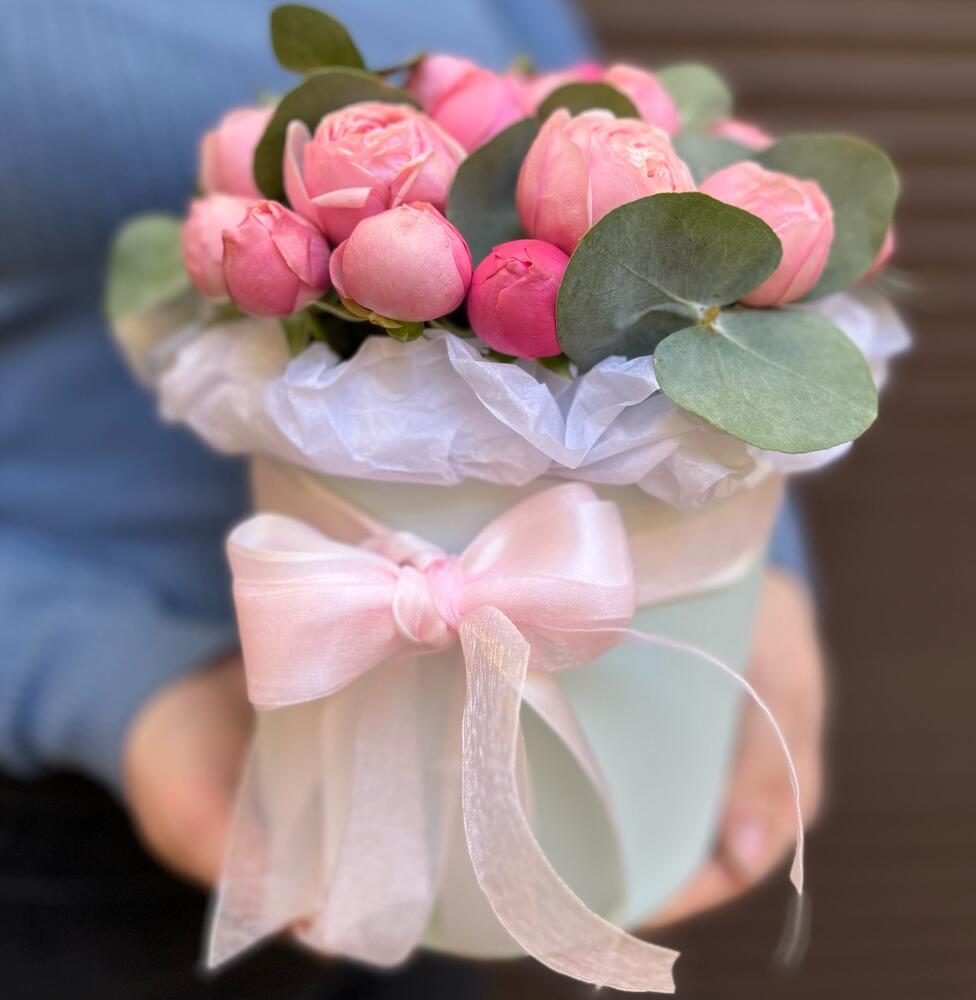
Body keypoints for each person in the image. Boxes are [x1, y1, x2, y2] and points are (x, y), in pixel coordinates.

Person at [0, 1, 824, 996]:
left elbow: (601, 125)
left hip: (496, 764)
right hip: (74, 819)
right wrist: (94, 678)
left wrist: (752, 549)